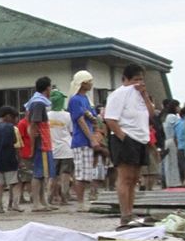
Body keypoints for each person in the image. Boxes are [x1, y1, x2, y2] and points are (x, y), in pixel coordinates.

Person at [102, 64, 156, 227]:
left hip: (140, 138)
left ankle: (130, 212)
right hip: (125, 138)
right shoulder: (119, 94)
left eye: (141, 79)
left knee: (134, 178)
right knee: (125, 177)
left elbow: (152, 114)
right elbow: (110, 119)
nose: (138, 83)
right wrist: (122, 137)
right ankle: (125, 214)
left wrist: (145, 95)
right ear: (125, 80)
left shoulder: (140, 95)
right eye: (135, 79)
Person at [68, 70, 101, 210]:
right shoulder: (75, 100)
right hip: (81, 140)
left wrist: (97, 133)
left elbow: (93, 119)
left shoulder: (86, 99)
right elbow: (81, 121)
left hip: (88, 139)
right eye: (90, 81)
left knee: (87, 172)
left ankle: (83, 200)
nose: (92, 84)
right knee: (81, 172)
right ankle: (80, 202)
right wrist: (92, 138)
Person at [24, 76, 56, 211]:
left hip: (44, 142)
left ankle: (43, 201)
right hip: (41, 143)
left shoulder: (38, 102)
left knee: (43, 174)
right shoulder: (38, 103)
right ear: (47, 88)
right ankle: (36, 203)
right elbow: (33, 123)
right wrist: (32, 142)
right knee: (38, 174)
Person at [0, 105, 21, 214]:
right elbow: (15, 142)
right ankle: (15, 204)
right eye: (11, 117)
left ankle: (0, 207)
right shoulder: (11, 128)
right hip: (10, 158)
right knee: (15, 183)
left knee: (0, 183)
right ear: (7, 116)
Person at [47, 89, 74, 203]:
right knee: (65, 174)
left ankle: (49, 197)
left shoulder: (47, 115)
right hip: (66, 149)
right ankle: (64, 196)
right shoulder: (67, 115)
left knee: (52, 176)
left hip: (52, 150)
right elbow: (71, 131)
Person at [160, 98, 182, 187]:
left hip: (168, 140)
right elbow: (176, 130)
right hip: (172, 139)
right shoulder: (172, 117)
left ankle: (171, 181)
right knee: (173, 161)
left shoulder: (166, 116)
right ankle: (174, 182)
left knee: (169, 162)